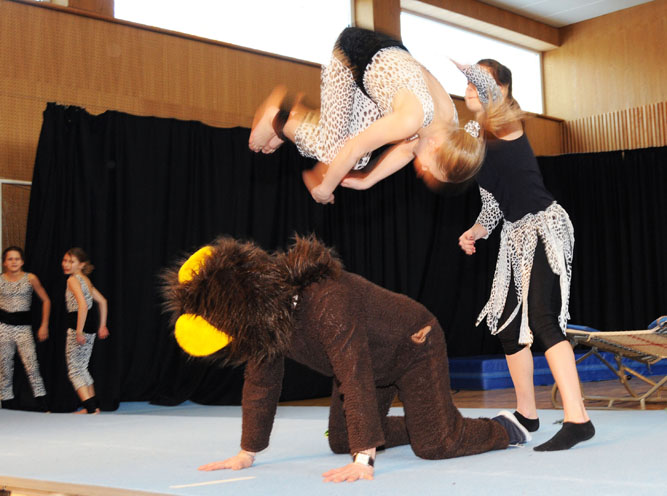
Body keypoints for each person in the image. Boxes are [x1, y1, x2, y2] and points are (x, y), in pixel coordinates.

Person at [163, 235, 531, 483]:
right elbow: (261, 383)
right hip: (369, 363)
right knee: (342, 440)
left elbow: (354, 375)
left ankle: (506, 428)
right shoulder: (267, 322)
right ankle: (428, 421)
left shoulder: (326, 301)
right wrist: (248, 452)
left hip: (412, 345)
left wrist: (364, 460)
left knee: (436, 445)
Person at [456, 60, 595, 451]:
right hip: (515, 234)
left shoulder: (507, 122)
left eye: (479, 80)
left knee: (542, 318)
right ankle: (527, 414)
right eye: (467, 81)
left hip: (545, 225)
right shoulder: (473, 135)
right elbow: (492, 204)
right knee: (505, 323)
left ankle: (578, 419)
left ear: (501, 89)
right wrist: (477, 230)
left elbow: (500, 113)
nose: (470, 86)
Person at [248, 26, 487, 204]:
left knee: (358, 161)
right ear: (434, 146)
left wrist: (366, 180)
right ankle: (278, 119)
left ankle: (295, 118)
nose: (421, 170)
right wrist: (325, 189)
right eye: (427, 169)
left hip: (381, 66)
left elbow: (407, 150)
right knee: (335, 152)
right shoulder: (411, 119)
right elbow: (353, 148)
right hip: (352, 56)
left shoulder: (449, 125)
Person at [0, 246, 50, 411]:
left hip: (23, 328)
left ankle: (42, 404)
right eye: (10, 259)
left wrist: (44, 325)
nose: (14, 262)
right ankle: (6, 404)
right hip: (4, 327)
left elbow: (46, 300)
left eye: (17, 259)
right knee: (4, 366)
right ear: (4, 262)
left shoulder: (30, 278)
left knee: (31, 365)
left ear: (22, 261)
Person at [62, 247, 109, 414]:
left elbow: (82, 304)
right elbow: (103, 301)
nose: (66, 264)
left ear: (81, 265)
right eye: (65, 261)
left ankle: (90, 408)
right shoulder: (86, 280)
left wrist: (78, 331)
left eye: (71, 261)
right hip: (90, 326)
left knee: (75, 369)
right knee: (82, 367)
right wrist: (102, 325)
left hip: (79, 325)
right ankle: (93, 406)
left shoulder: (73, 280)